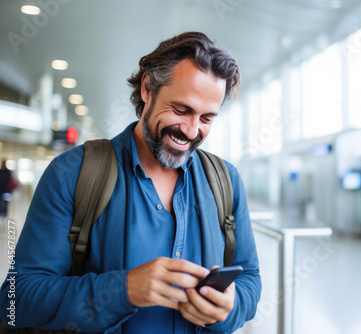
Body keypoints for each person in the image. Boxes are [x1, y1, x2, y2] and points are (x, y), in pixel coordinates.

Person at [0, 32, 261, 333]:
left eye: (207, 118)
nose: (191, 131)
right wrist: (123, 290)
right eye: (181, 110)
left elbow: (250, 281)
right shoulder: (72, 173)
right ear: (148, 88)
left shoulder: (226, 180)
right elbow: (15, 300)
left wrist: (230, 307)